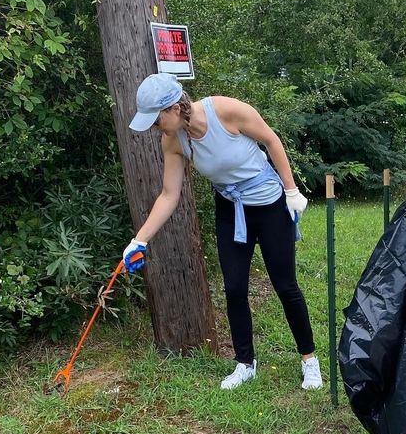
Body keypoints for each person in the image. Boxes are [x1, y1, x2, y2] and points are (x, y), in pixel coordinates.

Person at [124, 73, 323, 392]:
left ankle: (309, 361)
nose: (153, 127)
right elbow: (168, 194)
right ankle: (245, 363)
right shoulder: (173, 140)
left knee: (285, 286)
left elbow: (271, 140)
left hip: (270, 205)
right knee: (234, 289)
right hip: (231, 209)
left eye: (155, 119)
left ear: (175, 108)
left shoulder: (227, 110)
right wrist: (140, 239)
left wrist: (291, 190)